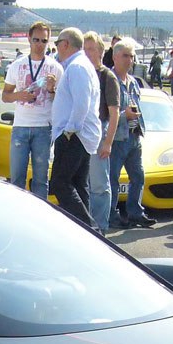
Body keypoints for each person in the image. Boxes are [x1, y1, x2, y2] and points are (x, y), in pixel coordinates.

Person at [2, 21, 62, 198]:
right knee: (16, 178)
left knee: (40, 179)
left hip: (43, 127)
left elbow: (62, 102)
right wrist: (19, 95)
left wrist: (51, 90)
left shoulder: (55, 67)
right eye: (36, 40)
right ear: (29, 39)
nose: (39, 44)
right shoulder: (17, 65)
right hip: (21, 126)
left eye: (44, 41)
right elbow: (5, 95)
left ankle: (40, 210)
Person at [47, 27, 101, 226]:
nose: (56, 48)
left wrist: (69, 131)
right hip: (79, 134)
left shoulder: (77, 67)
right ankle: (87, 232)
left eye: (57, 43)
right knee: (78, 185)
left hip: (75, 134)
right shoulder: (79, 65)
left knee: (60, 183)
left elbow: (81, 104)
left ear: (65, 44)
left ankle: (92, 228)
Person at [108, 37, 156, 229]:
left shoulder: (133, 82)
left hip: (134, 135)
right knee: (112, 178)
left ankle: (135, 213)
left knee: (138, 176)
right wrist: (123, 115)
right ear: (115, 57)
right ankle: (111, 215)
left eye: (132, 56)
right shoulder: (109, 80)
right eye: (125, 56)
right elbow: (104, 113)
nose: (130, 60)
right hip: (117, 137)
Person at [83, 31, 120, 233]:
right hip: (82, 133)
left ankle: (100, 228)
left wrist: (108, 142)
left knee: (99, 185)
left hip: (100, 131)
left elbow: (114, 113)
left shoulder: (107, 76)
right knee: (84, 183)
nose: (87, 53)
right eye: (85, 49)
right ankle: (87, 225)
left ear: (100, 52)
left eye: (91, 49)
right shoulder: (81, 72)